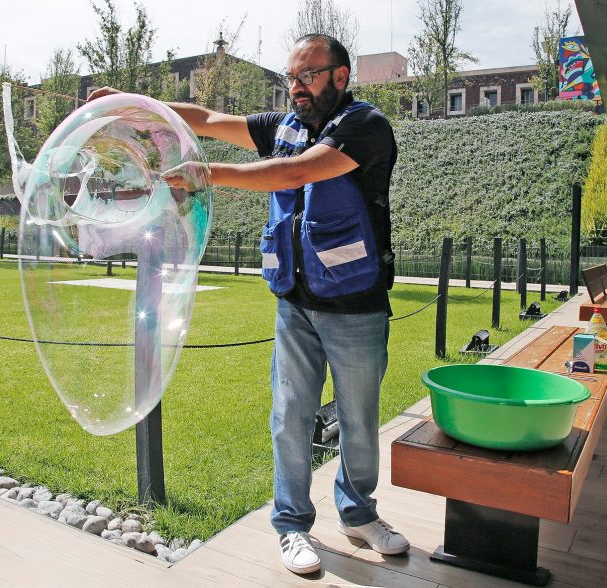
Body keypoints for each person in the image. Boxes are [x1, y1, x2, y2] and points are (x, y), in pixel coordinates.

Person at [89, 33, 408, 576]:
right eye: (291, 76)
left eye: (308, 74)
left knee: (358, 421)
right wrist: (131, 107)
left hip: (357, 304)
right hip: (295, 305)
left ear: (340, 76)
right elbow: (209, 119)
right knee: (290, 417)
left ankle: (358, 514)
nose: (296, 87)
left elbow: (297, 172)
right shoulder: (282, 125)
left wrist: (206, 175)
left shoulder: (366, 127)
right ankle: (292, 527)